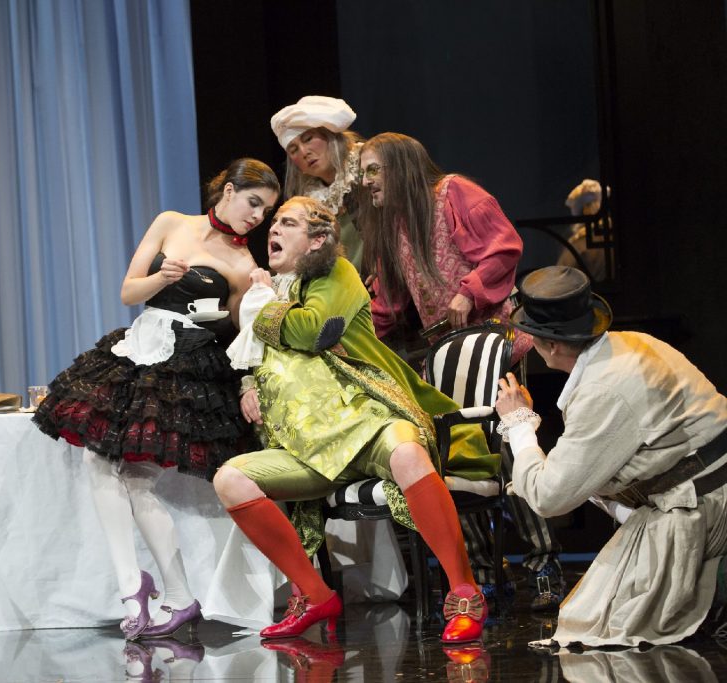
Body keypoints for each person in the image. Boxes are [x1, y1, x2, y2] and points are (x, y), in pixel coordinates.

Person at [213, 196, 499, 645]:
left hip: (370, 420)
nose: (274, 229)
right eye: (274, 223)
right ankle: (314, 594)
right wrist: (250, 385)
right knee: (230, 481)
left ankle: (464, 592)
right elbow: (256, 355)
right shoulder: (273, 289)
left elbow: (312, 331)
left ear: (319, 239)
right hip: (312, 447)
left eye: (288, 223)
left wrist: (265, 302)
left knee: (406, 453)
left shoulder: (335, 274)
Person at [32, 158, 280, 640]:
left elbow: (234, 333)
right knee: (100, 465)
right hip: (138, 350)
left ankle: (170, 593)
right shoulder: (172, 223)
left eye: (266, 211)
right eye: (254, 203)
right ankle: (138, 588)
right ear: (227, 191)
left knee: (134, 477)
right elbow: (129, 292)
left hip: (187, 363)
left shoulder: (244, 263)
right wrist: (163, 278)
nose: (257, 217)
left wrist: (256, 301)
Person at [360, 132, 566, 610]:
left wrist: (468, 291)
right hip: (446, 356)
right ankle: (484, 568)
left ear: (401, 166)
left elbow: (503, 248)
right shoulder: (391, 225)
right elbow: (387, 304)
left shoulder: (453, 193)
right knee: (455, 454)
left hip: (494, 345)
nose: (366, 181)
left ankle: (543, 563)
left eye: (374, 170)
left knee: (508, 448)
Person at [495, 265, 727, 648]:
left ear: (551, 345)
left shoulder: (603, 390)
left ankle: (714, 598)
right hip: (702, 485)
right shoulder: (633, 342)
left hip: (701, 507)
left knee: (598, 618)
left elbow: (547, 497)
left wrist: (518, 423)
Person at [270, 95, 368, 274]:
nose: (304, 152)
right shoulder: (309, 202)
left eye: (308, 139)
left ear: (329, 135)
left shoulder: (366, 165)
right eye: (293, 149)